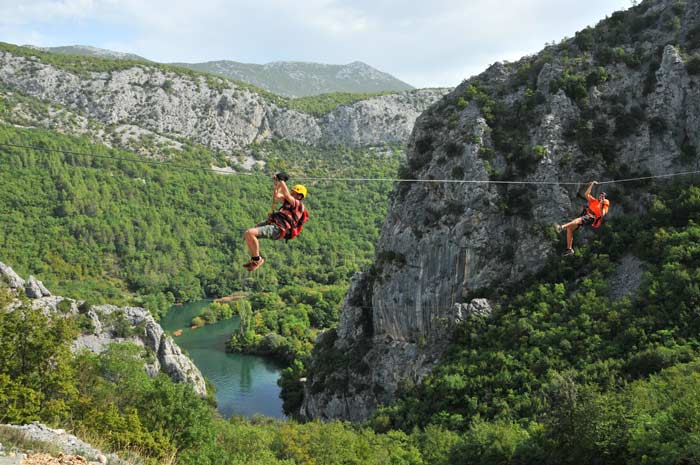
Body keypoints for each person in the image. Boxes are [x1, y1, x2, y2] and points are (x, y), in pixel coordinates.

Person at [242, 173, 307, 271]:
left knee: (251, 233)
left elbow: (286, 194)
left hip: (280, 228)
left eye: (294, 193)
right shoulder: (288, 202)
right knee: (248, 233)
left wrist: (282, 180)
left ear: (300, 196)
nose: (292, 194)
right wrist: (278, 183)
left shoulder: (298, 204)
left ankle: (257, 259)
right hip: (275, 224)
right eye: (292, 192)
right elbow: (277, 195)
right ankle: (254, 259)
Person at [555, 180, 610, 256]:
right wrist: (592, 185)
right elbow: (586, 194)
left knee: (578, 220)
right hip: (586, 215)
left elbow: (602, 214)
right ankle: (569, 249)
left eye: (603, 196)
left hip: (592, 217)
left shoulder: (604, 205)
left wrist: (602, 203)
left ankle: (562, 227)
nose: (601, 196)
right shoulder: (594, 201)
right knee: (570, 229)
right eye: (600, 195)